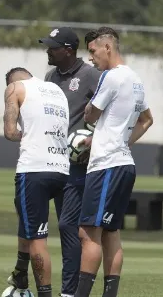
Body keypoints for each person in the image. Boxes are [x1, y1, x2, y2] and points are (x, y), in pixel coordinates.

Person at [5, 27, 102, 297]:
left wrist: (93, 140)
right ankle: (25, 275)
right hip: (51, 161)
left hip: (78, 163)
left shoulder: (91, 75)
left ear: (68, 50)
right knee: (33, 223)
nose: (47, 49)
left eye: (53, 46)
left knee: (68, 227)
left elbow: (109, 109)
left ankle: (68, 292)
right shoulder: (49, 78)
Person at [75, 27, 153, 297]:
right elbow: (146, 120)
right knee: (111, 232)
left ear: (107, 47)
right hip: (123, 163)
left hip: (107, 165)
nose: (91, 58)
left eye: (93, 51)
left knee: (88, 232)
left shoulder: (111, 77)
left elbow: (91, 115)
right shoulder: (136, 79)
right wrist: (116, 141)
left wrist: (90, 116)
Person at [3, 67, 70, 297]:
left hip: (34, 170)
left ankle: (44, 294)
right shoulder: (56, 90)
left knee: (37, 239)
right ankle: (21, 272)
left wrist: (29, 133)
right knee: (30, 221)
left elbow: (10, 132)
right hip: (62, 169)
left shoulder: (15, 88)